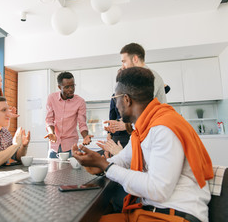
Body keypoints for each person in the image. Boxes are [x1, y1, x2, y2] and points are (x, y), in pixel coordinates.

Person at [72, 67, 213, 222]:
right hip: (151, 212)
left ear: (126, 99)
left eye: (115, 98)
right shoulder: (143, 128)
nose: (116, 105)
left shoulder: (163, 128)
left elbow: (158, 190)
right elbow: (124, 159)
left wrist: (105, 166)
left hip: (175, 215)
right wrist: (97, 164)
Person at [103, 43, 167, 136]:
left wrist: (125, 125)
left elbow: (144, 109)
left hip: (156, 128)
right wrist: (120, 123)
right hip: (147, 128)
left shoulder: (150, 77)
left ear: (135, 59)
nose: (123, 66)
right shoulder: (139, 77)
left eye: (124, 61)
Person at [45, 72, 93, 158]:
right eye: (67, 87)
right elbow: (49, 120)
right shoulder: (51, 98)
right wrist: (51, 132)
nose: (71, 89)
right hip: (54, 147)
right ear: (60, 87)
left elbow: (82, 123)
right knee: (52, 171)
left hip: (71, 147)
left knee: (71, 171)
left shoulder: (80, 102)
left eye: (73, 86)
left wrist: (85, 136)